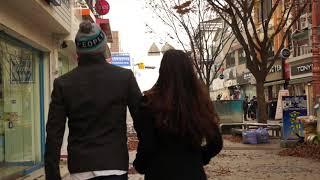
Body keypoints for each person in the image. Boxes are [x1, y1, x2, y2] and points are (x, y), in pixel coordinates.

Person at [45, 21, 141, 180]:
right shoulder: (124, 78)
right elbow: (142, 121)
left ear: (79, 52)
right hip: (114, 166)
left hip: (80, 168)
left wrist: (52, 174)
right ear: (103, 47)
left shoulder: (63, 83)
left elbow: (54, 133)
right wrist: (143, 158)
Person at [133, 50, 223, 180]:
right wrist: (198, 158)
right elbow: (216, 142)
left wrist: (140, 165)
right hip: (193, 173)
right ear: (190, 72)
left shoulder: (149, 102)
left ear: (162, 71)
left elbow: (147, 144)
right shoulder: (199, 102)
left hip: (159, 172)